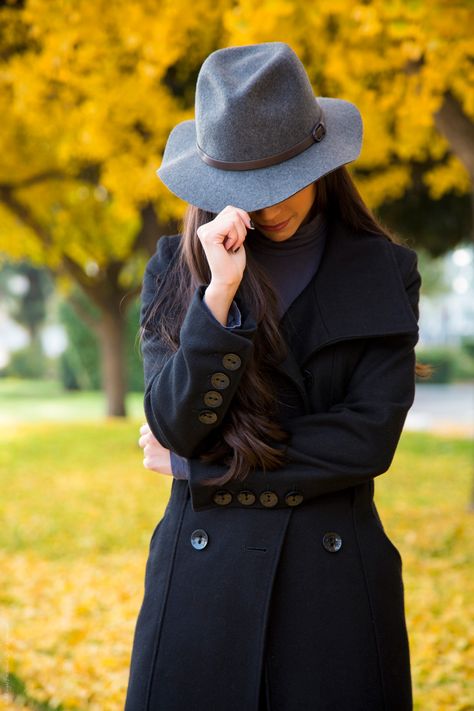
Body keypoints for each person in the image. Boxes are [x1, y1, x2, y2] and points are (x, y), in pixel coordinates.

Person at [124, 42, 424, 711]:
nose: (266, 206)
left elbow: (366, 441)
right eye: (244, 185)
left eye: (284, 175)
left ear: (320, 160)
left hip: (333, 591)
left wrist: (202, 468)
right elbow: (174, 423)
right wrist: (217, 300)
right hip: (202, 590)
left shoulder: (383, 270)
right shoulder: (177, 268)